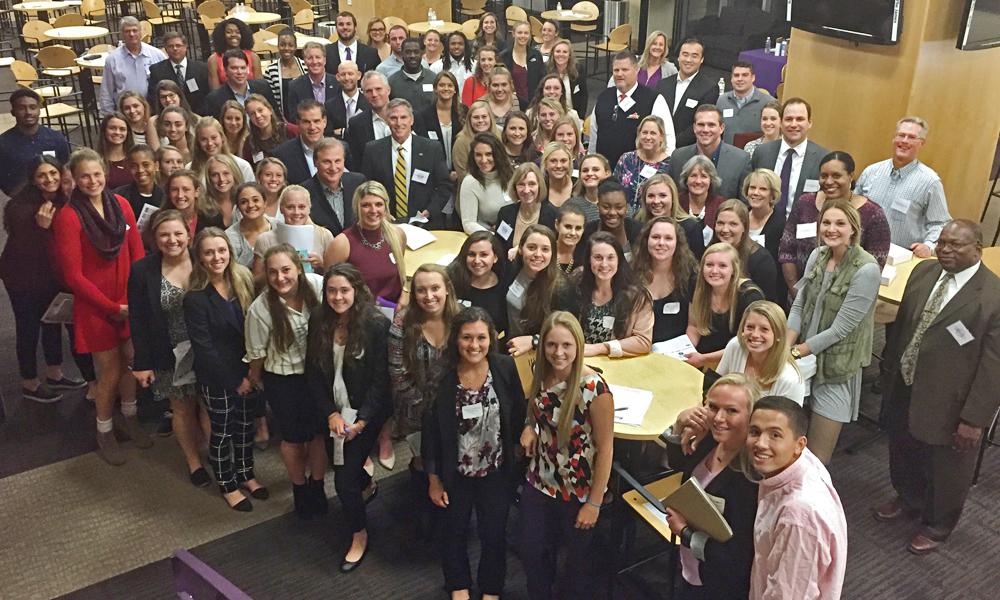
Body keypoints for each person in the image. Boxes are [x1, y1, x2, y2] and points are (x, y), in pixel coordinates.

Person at [875, 219, 1000, 554]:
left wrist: (975, 419)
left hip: (953, 400)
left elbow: (994, 367)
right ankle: (908, 497)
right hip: (906, 382)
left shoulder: (992, 296)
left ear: (978, 248)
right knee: (902, 446)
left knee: (948, 469)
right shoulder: (923, 273)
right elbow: (901, 327)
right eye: (942, 242)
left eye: (955, 244)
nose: (945, 249)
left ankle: (938, 524)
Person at [423, 307, 525, 600]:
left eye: (481, 337)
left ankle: (492, 588)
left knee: (493, 534)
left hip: (496, 470)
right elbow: (430, 432)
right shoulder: (441, 375)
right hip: (455, 472)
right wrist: (433, 479)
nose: (474, 345)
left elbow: (518, 412)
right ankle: (458, 585)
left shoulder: (504, 368)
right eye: (467, 338)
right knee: (453, 532)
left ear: (491, 339)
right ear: (456, 339)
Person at [52, 149, 147, 465]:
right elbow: (73, 276)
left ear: (105, 174)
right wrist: (111, 306)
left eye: (97, 174)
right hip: (96, 306)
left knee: (131, 364)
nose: (92, 181)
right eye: (84, 176)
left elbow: (137, 254)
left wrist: (134, 298)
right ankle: (104, 430)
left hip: (128, 302)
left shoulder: (120, 205)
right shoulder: (69, 216)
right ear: (75, 181)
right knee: (109, 373)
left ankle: (129, 417)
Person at [519, 311, 614, 600]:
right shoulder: (541, 372)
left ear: (578, 347)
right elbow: (537, 410)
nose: (558, 353)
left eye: (566, 346)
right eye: (551, 345)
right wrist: (529, 426)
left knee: (575, 567)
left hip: (578, 488)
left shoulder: (594, 389)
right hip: (540, 478)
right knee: (531, 550)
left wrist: (594, 504)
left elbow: (606, 448)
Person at [305, 263, 391, 570]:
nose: (338, 297)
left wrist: (362, 422)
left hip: (365, 411)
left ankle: (359, 533)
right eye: (331, 291)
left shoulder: (375, 324)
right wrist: (329, 413)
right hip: (334, 410)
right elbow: (313, 372)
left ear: (357, 290)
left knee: (342, 481)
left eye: (344, 290)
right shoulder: (319, 318)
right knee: (342, 464)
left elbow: (382, 382)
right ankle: (368, 484)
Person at [787, 199, 879, 464]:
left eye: (840, 223)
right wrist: (787, 346)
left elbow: (841, 329)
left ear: (853, 228)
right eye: (826, 222)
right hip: (804, 359)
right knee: (791, 444)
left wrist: (794, 352)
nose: (831, 229)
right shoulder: (818, 256)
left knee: (816, 459)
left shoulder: (867, 269)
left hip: (836, 366)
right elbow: (800, 304)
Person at [184, 227, 266, 511]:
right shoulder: (195, 297)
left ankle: (245, 473)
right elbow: (204, 349)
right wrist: (235, 381)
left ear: (229, 252)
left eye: (221, 250)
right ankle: (228, 483)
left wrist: (252, 373)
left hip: (248, 370)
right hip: (218, 376)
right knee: (222, 431)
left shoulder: (242, 279)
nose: (217, 257)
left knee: (246, 426)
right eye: (209, 252)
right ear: (200, 258)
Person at [0, 156, 94, 403]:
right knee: (28, 325)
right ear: (33, 179)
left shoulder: (62, 200)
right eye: (42, 175)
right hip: (23, 278)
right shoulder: (20, 208)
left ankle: (55, 373)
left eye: (53, 173)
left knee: (52, 320)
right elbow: (29, 251)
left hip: (50, 276)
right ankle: (29, 383)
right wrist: (43, 230)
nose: (49, 180)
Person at [245, 244, 328, 519]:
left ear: (298, 269)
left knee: (317, 434)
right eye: (273, 273)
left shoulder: (317, 285)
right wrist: (254, 381)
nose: (280, 278)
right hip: (283, 379)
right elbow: (256, 354)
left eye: (286, 270)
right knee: (293, 439)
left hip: (316, 375)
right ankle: (301, 490)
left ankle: (317, 485)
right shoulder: (260, 308)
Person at [128, 209, 209, 485]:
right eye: (164, 234)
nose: (172, 240)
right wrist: (142, 362)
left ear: (189, 235)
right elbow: (137, 319)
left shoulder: (205, 259)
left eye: (177, 233)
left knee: (210, 406)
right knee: (182, 408)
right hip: (170, 351)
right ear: (154, 238)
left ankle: (216, 455)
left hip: (208, 349)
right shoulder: (142, 271)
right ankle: (194, 462)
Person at [663, 374, 759, 600]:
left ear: (751, 416)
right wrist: (679, 425)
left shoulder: (749, 478)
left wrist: (684, 533)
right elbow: (679, 462)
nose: (719, 418)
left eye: (732, 411)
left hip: (718, 583)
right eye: (713, 407)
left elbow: (736, 556)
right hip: (690, 565)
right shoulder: (711, 439)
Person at [747, 396, 847, 600]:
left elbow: (788, 594)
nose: (761, 443)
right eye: (755, 432)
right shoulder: (801, 461)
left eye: (775, 435)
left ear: (799, 444)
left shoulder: (799, 516)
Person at [779, 151, 891, 301]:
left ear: (851, 176)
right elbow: (787, 251)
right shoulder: (805, 203)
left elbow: (874, 268)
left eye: (836, 176)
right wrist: (797, 295)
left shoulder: (872, 214)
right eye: (824, 176)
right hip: (799, 297)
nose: (829, 181)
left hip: (844, 304)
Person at [855, 116, 951, 259]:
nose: (904, 141)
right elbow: (852, 207)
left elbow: (940, 223)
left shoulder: (930, 182)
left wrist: (929, 246)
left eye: (912, 137)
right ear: (894, 138)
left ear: (921, 143)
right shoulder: (871, 171)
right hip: (861, 252)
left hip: (900, 259)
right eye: (901, 135)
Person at [360, 99, 453, 228]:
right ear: (387, 121)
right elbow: (367, 187)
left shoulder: (431, 148)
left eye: (403, 117)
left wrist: (429, 211)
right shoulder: (373, 150)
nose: (399, 123)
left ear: (412, 120)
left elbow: (444, 186)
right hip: (385, 223)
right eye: (393, 118)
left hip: (425, 224)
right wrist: (381, 212)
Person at [324, 181, 408, 304]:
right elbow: (330, 288)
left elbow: (400, 275)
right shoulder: (342, 243)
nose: (373, 210)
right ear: (357, 208)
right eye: (366, 205)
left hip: (395, 312)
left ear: (386, 207)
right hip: (360, 315)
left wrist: (405, 294)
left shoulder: (398, 235)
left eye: (379, 204)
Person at [590, 51, 675, 169]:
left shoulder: (654, 99)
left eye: (625, 70)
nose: (620, 74)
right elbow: (594, 135)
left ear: (637, 70)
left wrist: (661, 168)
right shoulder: (603, 97)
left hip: (637, 174)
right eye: (616, 70)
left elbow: (668, 138)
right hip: (604, 172)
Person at [685, 243, 765, 369]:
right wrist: (686, 352)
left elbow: (747, 342)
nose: (714, 271)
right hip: (701, 356)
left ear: (734, 269)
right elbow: (694, 326)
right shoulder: (697, 285)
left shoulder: (750, 296)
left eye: (722, 266)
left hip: (738, 360)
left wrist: (704, 359)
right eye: (709, 265)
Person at [504, 225, 579, 355]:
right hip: (511, 347)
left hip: (543, 354)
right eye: (531, 247)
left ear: (552, 254)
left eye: (545, 249)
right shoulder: (512, 269)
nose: (538, 254)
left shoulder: (562, 288)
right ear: (521, 249)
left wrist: (535, 340)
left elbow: (570, 330)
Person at [576, 232, 653, 357]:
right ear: (589, 260)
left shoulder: (637, 297)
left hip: (619, 366)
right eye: (598, 257)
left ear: (619, 260)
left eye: (610, 257)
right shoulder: (576, 287)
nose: (604, 264)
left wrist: (601, 348)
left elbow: (643, 341)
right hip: (580, 363)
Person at [749, 97, 829, 217]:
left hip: (802, 228)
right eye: (788, 119)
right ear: (781, 122)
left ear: (809, 123)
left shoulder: (822, 158)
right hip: (764, 225)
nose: (793, 124)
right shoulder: (762, 153)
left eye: (800, 119)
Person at [718, 301, 805, 403]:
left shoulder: (791, 380)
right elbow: (716, 386)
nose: (755, 334)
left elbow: (787, 418)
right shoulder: (735, 346)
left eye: (764, 329)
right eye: (750, 327)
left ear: (778, 335)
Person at [632, 216, 699, 343]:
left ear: (677, 243)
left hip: (676, 355)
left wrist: (682, 355)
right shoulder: (632, 274)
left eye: (668, 238)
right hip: (637, 351)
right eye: (656, 237)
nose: (661, 243)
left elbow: (693, 327)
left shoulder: (691, 278)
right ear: (646, 240)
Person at [669, 105, 752, 201]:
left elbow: (744, 203)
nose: (705, 130)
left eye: (711, 125)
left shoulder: (740, 160)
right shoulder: (678, 157)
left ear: (721, 128)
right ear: (694, 127)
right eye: (701, 125)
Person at [0, 89, 71, 195]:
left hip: (55, 197)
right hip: (21, 202)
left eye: (32, 107)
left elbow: (66, 170)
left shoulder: (56, 138)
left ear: (39, 110)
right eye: (21, 108)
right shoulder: (3, 143)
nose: (28, 112)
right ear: (13, 112)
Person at [252, 185, 331, 278]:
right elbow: (257, 280)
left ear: (309, 208)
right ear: (281, 209)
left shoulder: (324, 235)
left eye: (302, 207)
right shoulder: (265, 240)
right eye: (290, 207)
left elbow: (336, 274)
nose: (296, 212)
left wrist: (322, 265)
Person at [712, 200, 780, 302]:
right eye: (720, 223)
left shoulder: (761, 260)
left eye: (733, 224)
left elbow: (766, 305)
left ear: (744, 227)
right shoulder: (710, 253)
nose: (725, 229)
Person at [656, 38, 719, 148]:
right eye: (685, 54)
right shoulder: (662, 84)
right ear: (679, 57)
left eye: (694, 56)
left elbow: (701, 123)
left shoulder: (709, 88)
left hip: (688, 150)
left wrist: (672, 143)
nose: (688, 60)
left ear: (702, 59)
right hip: (658, 147)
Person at [99, 17, 166, 117]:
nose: (131, 34)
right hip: (125, 114)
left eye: (134, 30)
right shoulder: (112, 59)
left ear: (141, 32)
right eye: (127, 31)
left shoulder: (157, 55)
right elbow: (106, 91)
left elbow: (168, 85)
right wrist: (109, 117)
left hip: (154, 113)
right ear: (121, 34)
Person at [448, 232, 510, 334]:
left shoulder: (505, 286)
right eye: (472, 254)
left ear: (495, 257)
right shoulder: (453, 281)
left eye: (484, 255)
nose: (477, 260)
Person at [302, 138, 366, 237]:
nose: (333, 168)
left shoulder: (358, 182)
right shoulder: (303, 192)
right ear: (315, 162)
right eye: (327, 162)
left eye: (337, 161)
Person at [494, 163, 559, 256]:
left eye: (532, 184)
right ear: (514, 187)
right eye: (521, 184)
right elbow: (498, 247)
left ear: (539, 186)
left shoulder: (552, 215)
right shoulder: (505, 213)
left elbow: (552, 251)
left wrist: (520, 249)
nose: (526, 190)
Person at [201, 50, 278, 127]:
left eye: (243, 68)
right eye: (234, 68)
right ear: (225, 70)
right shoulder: (214, 99)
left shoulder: (263, 87)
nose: (240, 72)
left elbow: (276, 116)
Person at [636, 174, 706, 258]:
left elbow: (696, 264)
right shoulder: (637, 224)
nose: (656, 201)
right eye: (651, 196)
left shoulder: (691, 228)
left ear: (673, 198)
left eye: (662, 195)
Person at [614, 115, 672, 216]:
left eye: (653, 133)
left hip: (654, 220)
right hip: (624, 218)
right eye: (644, 132)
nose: (648, 137)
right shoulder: (626, 159)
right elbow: (613, 188)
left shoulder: (670, 164)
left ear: (661, 137)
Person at [415, 71, 466, 180]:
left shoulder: (465, 111)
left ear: (455, 89)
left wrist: (458, 171)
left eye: (450, 85)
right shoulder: (423, 115)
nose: (446, 88)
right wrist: (445, 173)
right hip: (435, 174)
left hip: (462, 173)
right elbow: (424, 149)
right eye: (442, 85)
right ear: (435, 89)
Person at [578, 180, 643, 263]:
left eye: (619, 207)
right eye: (606, 207)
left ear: (626, 208)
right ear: (598, 207)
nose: (612, 212)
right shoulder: (587, 231)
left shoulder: (638, 230)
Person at [461, 133, 514, 234]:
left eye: (489, 154)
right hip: (488, 237)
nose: (484, 160)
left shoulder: (512, 176)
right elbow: (469, 223)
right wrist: (494, 237)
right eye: (478, 155)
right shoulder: (470, 182)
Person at [147, 32, 209, 115]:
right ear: (165, 49)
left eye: (178, 45)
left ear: (185, 47)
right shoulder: (157, 70)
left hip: (197, 116)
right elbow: (153, 98)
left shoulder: (201, 68)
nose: (175, 48)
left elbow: (206, 95)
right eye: (170, 46)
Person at [716, 61, 776, 145]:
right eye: (736, 75)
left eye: (745, 75)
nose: (740, 79)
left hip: (755, 154)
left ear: (753, 78)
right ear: (731, 78)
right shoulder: (722, 100)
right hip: (728, 154)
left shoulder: (769, 102)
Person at [272, 100, 328, 185]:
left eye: (316, 121)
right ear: (298, 123)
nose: (312, 127)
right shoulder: (282, 155)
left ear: (324, 122)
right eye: (306, 122)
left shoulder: (342, 148)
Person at [346, 71, 393, 170]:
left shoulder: (408, 116)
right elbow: (357, 161)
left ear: (388, 90)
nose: (374, 94)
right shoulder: (356, 124)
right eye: (368, 91)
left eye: (378, 89)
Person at [451, 101, 501, 195]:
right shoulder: (461, 141)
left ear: (490, 118)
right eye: (476, 117)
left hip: (499, 189)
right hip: (472, 192)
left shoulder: (500, 135)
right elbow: (462, 174)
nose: (480, 120)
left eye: (484, 116)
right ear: (469, 119)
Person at [286, 42, 342, 124]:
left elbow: (340, 113)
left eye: (318, 57)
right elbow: (294, 117)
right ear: (305, 61)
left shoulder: (337, 83)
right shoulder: (294, 86)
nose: (314, 61)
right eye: (310, 58)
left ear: (325, 60)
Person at [678, 155, 725, 248]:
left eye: (704, 176)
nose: (698, 181)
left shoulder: (721, 205)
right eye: (693, 175)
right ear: (686, 179)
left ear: (711, 180)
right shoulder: (676, 202)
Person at [161, 169, 224, 237]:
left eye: (186, 189)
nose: (180, 195)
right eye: (174, 190)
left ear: (197, 192)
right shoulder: (159, 220)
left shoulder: (213, 218)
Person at [263, 28, 307, 123]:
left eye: (290, 45)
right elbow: (270, 101)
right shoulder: (270, 71)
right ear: (278, 46)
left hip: (306, 119)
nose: (286, 48)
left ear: (296, 47)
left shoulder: (305, 66)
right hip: (281, 121)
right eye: (282, 45)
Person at [743, 169, 784, 267]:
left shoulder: (781, 225)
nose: (756, 193)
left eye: (763, 189)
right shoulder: (739, 216)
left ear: (772, 195)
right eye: (752, 187)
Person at [226, 182, 274, 267]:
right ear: (238, 207)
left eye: (255, 200)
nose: (251, 205)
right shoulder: (228, 237)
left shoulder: (279, 227)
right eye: (244, 202)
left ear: (265, 202)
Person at [499, 22, 544, 111]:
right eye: (519, 33)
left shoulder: (536, 55)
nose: (523, 36)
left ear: (530, 35)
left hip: (533, 105)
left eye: (526, 33)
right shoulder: (503, 56)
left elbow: (542, 80)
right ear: (513, 34)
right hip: (511, 105)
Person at [207, 18, 262, 90]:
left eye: (238, 32)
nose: (233, 35)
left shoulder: (253, 57)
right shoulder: (214, 60)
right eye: (229, 32)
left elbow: (260, 87)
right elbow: (215, 91)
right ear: (222, 35)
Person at [245, 93, 299, 163]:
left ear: (270, 110)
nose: (257, 116)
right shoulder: (249, 143)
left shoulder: (290, 130)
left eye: (260, 110)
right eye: (252, 113)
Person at [115, 144, 164, 223]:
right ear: (128, 168)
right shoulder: (119, 196)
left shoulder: (165, 197)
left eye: (146, 165)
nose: (140, 170)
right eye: (134, 166)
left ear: (156, 166)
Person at [389, 38, 437, 113]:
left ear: (422, 53)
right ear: (402, 54)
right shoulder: (391, 82)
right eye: (408, 52)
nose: (412, 56)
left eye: (416, 52)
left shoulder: (434, 78)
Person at [325, 61, 368, 139]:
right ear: (337, 77)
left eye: (350, 74)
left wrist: (342, 132)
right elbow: (328, 134)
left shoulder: (369, 103)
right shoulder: (329, 106)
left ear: (359, 75)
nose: (347, 78)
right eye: (343, 74)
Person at [148, 80, 194, 152]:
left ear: (179, 96)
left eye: (171, 95)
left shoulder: (196, 119)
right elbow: (156, 152)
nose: (168, 100)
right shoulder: (154, 122)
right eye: (163, 97)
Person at [545, 39, 587, 117]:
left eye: (565, 52)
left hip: (572, 115)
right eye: (558, 51)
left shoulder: (578, 69)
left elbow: (584, 95)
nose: (561, 54)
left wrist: (581, 118)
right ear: (553, 54)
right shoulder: (544, 70)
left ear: (569, 55)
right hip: (550, 116)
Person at [567, 154, 612, 224]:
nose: (590, 173)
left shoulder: (619, 205)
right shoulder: (571, 205)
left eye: (595, 170)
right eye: (585, 170)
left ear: (607, 173)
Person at [98, 113, 135, 190]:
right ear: (104, 131)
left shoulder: (135, 157)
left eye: (122, 129)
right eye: (112, 128)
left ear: (128, 132)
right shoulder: (96, 161)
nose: (117, 132)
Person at [204, 154, 244, 227]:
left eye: (226, 173)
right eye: (215, 175)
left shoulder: (244, 201)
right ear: (209, 179)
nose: (221, 179)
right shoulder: (203, 208)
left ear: (234, 174)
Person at [540, 141, 575, 208]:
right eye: (553, 161)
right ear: (545, 163)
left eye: (563, 161)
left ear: (569, 163)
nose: (558, 166)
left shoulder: (579, 186)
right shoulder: (539, 188)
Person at [554, 204, 586, 274]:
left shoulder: (587, 256)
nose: (573, 233)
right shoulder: (545, 252)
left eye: (578, 228)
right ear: (557, 225)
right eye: (568, 227)